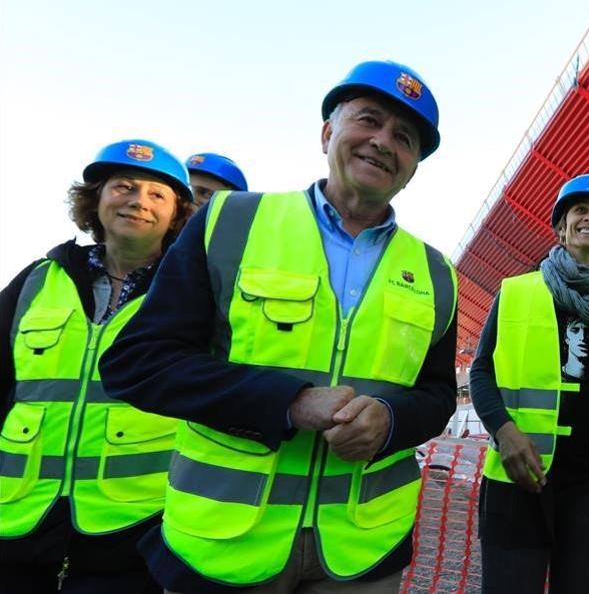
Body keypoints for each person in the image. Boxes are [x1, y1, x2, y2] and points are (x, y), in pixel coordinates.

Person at [98, 60, 458, 593]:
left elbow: (436, 396)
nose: (384, 142)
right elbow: (139, 362)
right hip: (224, 547)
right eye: (368, 120)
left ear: (413, 167)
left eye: (404, 137)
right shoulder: (229, 223)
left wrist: (388, 418)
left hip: (363, 551)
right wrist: (289, 402)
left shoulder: (435, 273)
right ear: (327, 132)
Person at [0, 140, 194, 593]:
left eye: (156, 195)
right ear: (96, 199)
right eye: (122, 186)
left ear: (176, 215)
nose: (137, 201)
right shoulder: (36, 280)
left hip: (135, 528)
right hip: (16, 518)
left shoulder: (190, 292)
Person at [469, 174, 589, 593]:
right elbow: (481, 372)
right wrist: (505, 432)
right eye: (580, 210)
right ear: (562, 226)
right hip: (521, 479)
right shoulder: (517, 293)